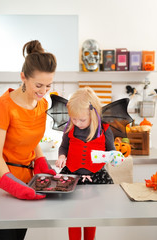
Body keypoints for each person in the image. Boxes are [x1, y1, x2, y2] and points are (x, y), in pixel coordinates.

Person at [0, 40, 57, 240]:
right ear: (23, 77)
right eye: (38, 85)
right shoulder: (3, 106)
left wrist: (41, 163)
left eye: (48, 85)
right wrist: (12, 183)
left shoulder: (42, 105)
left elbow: (32, 140)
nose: (43, 91)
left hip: (27, 182)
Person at [56, 87, 116, 240]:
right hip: (72, 176)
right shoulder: (70, 128)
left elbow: (112, 151)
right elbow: (63, 147)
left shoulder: (104, 130)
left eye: (81, 120)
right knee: (73, 215)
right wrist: (62, 156)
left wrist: (113, 158)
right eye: (74, 118)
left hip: (96, 177)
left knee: (91, 214)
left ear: (93, 114)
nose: (77, 123)